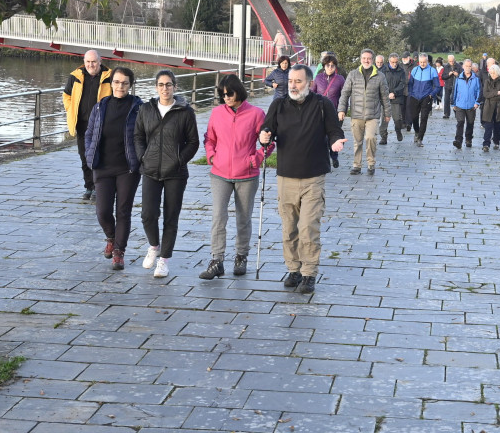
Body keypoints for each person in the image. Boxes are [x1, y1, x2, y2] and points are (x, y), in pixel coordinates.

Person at [259, 65, 346, 294]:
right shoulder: (279, 104)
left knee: (308, 227)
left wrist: (336, 142)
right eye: (290, 81)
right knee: (289, 229)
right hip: (286, 176)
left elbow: (334, 130)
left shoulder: (321, 104)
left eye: (298, 81)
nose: (293, 85)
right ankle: (294, 269)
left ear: (308, 82)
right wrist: (264, 135)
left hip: (313, 177)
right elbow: (267, 129)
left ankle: (309, 273)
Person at [199, 74, 268, 280]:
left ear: (239, 90)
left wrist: (255, 159)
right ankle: (217, 260)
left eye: (229, 93)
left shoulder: (256, 114)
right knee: (218, 217)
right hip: (219, 173)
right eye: (222, 94)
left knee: (243, 218)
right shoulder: (216, 113)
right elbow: (209, 138)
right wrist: (211, 155)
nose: (226, 97)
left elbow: (268, 142)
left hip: (246, 174)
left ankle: (241, 256)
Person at [134, 70, 200, 278]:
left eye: (169, 85)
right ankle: (154, 246)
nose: (165, 88)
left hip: (176, 173)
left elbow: (193, 142)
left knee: (171, 217)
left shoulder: (185, 112)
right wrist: (143, 156)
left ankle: (164, 260)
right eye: (161, 85)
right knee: (148, 214)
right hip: (151, 169)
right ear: (156, 87)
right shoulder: (146, 109)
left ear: (175, 87)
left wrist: (180, 160)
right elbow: (138, 135)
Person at [84, 67, 142, 270]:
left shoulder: (138, 107)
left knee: (123, 211)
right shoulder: (101, 106)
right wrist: (90, 153)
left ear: (130, 85)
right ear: (111, 84)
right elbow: (89, 133)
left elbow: (145, 134)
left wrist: (140, 157)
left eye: (124, 83)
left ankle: (119, 251)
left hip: (127, 168)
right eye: (116, 82)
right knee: (103, 211)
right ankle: (111, 236)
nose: (120, 86)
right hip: (102, 166)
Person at [63, 49, 113, 201]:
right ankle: (89, 187)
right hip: (82, 124)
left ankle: (99, 188)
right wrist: (71, 110)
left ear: (100, 61)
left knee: (99, 157)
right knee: (85, 157)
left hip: (101, 124)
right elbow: (67, 95)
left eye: (94, 62)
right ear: (84, 62)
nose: (91, 65)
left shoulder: (109, 76)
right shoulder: (75, 76)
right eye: (88, 62)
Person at [338, 49, 391, 175]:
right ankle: (357, 165)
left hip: (373, 114)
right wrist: (341, 109)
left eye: (369, 58)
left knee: (370, 138)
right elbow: (345, 93)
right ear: (360, 59)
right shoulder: (353, 74)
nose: (366, 60)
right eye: (364, 58)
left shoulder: (380, 76)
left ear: (372, 60)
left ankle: (371, 164)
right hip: (356, 114)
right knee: (358, 141)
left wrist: (388, 113)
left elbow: (384, 96)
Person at [312, 54, 345, 166]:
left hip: (334, 112)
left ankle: (334, 156)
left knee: (334, 135)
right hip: (319, 112)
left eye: (332, 65)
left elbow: (344, 96)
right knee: (321, 135)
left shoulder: (340, 79)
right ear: (324, 66)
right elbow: (312, 94)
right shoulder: (318, 78)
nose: (330, 67)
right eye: (328, 65)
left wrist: (342, 110)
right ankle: (322, 157)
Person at [406, 52, 441, 148]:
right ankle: (417, 132)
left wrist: (431, 95)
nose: (422, 64)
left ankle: (420, 138)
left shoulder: (432, 71)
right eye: (420, 62)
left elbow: (437, 86)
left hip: (426, 97)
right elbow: (410, 84)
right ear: (418, 62)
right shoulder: (415, 70)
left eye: (424, 62)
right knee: (414, 117)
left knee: (424, 118)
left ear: (427, 61)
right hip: (414, 97)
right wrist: (410, 94)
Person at [451, 59, 481, 149]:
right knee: (460, 123)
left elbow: (480, 91)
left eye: (469, 66)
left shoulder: (476, 79)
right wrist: (453, 103)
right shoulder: (458, 78)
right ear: (463, 67)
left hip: (471, 105)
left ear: (471, 67)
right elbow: (455, 91)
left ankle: (468, 139)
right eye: (466, 66)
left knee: (470, 123)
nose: (468, 68)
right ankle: (458, 141)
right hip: (460, 104)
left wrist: (477, 102)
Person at [380, 53, 407, 143]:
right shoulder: (383, 71)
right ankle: (384, 137)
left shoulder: (401, 71)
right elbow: (381, 84)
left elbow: (402, 83)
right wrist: (387, 94)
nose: (394, 64)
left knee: (397, 118)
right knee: (385, 118)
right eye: (392, 62)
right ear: (389, 61)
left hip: (397, 97)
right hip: (385, 98)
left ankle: (398, 130)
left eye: (396, 62)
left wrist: (394, 93)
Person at [481, 64, 500, 151]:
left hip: (499, 106)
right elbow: (485, 94)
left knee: (497, 125)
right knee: (488, 126)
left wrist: (492, 94)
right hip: (489, 106)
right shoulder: (487, 81)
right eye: (491, 73)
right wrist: (496, 92)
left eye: (494, 73)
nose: (492, 75)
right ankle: (486, 144)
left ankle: (496, 142)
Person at [441, 55, 460, 119]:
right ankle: (446, 113)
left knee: (455, 100)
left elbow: (463, 75)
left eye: (452, 61)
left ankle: (457, 113)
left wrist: (458, 75)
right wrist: (448, 74)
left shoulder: (458, 66)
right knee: (446, 100)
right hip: (447, 85)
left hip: (456, 85)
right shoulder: (446, 67)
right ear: (448, 60)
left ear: (454, 60)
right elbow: (443, 77)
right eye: (450, 61)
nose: (451, 62)